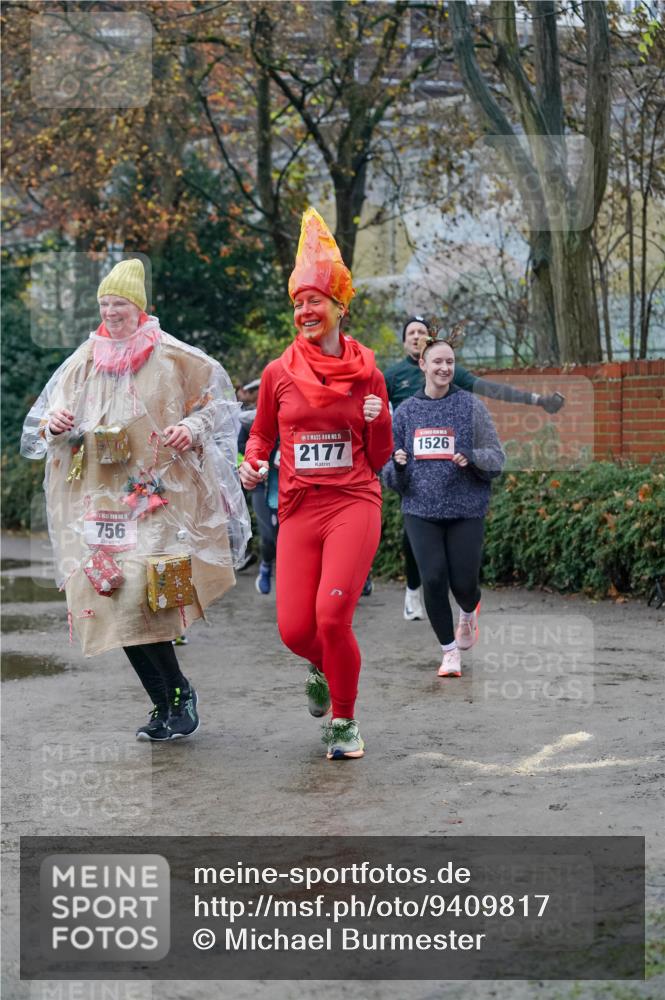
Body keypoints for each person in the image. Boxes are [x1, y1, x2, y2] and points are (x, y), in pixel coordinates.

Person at [21, 259, 250, 742]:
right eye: (105, 304)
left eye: (119, 304)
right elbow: (45, 421)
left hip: (156, 500)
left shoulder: (171, 355)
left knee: (139, 596)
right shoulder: (85, 358)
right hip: (100, 505)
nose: (111, 312)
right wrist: (55, 424)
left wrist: (191, 427)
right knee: (106, 598)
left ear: (139, 307)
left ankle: (179, 693)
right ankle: (165, 700)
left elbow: (220, 402)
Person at [240, 208, 393, 760]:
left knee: (332, 618)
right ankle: (324, 667)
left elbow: (377, 459)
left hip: (354, 502)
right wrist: (252, 464)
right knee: (294, 630)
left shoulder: (369, 372)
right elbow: (259, 436)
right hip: (299, 507)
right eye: (299, 302)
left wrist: (381, 418)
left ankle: (345, 722)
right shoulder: (278, 373)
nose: (306, 310)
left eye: (316, 301)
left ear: (339, 307)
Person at [384, 315, 564, 622]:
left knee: (459, 572)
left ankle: (454, 601)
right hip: (412, 470)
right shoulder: (393, 375)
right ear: (404, 342)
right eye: (410, 333)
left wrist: (538, 400)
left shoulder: (447, 371)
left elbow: (489, 389)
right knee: (413, 534)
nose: (415, 336)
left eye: (421, 332)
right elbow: (371, 410)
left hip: (456, 476)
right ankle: (413, 590)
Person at [383, 334, 505, 678]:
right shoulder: (406, 413)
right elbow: (389, 475)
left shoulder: (470, 406)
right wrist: (400, 465)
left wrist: (473, 458)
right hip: (420, 510)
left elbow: (496, 459)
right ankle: (449, 652)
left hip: (465, 508)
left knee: (464, 584)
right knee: (433, 578)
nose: (444, 368)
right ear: (422, 365)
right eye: (437, 361)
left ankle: (468, 612)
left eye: (450, 362)